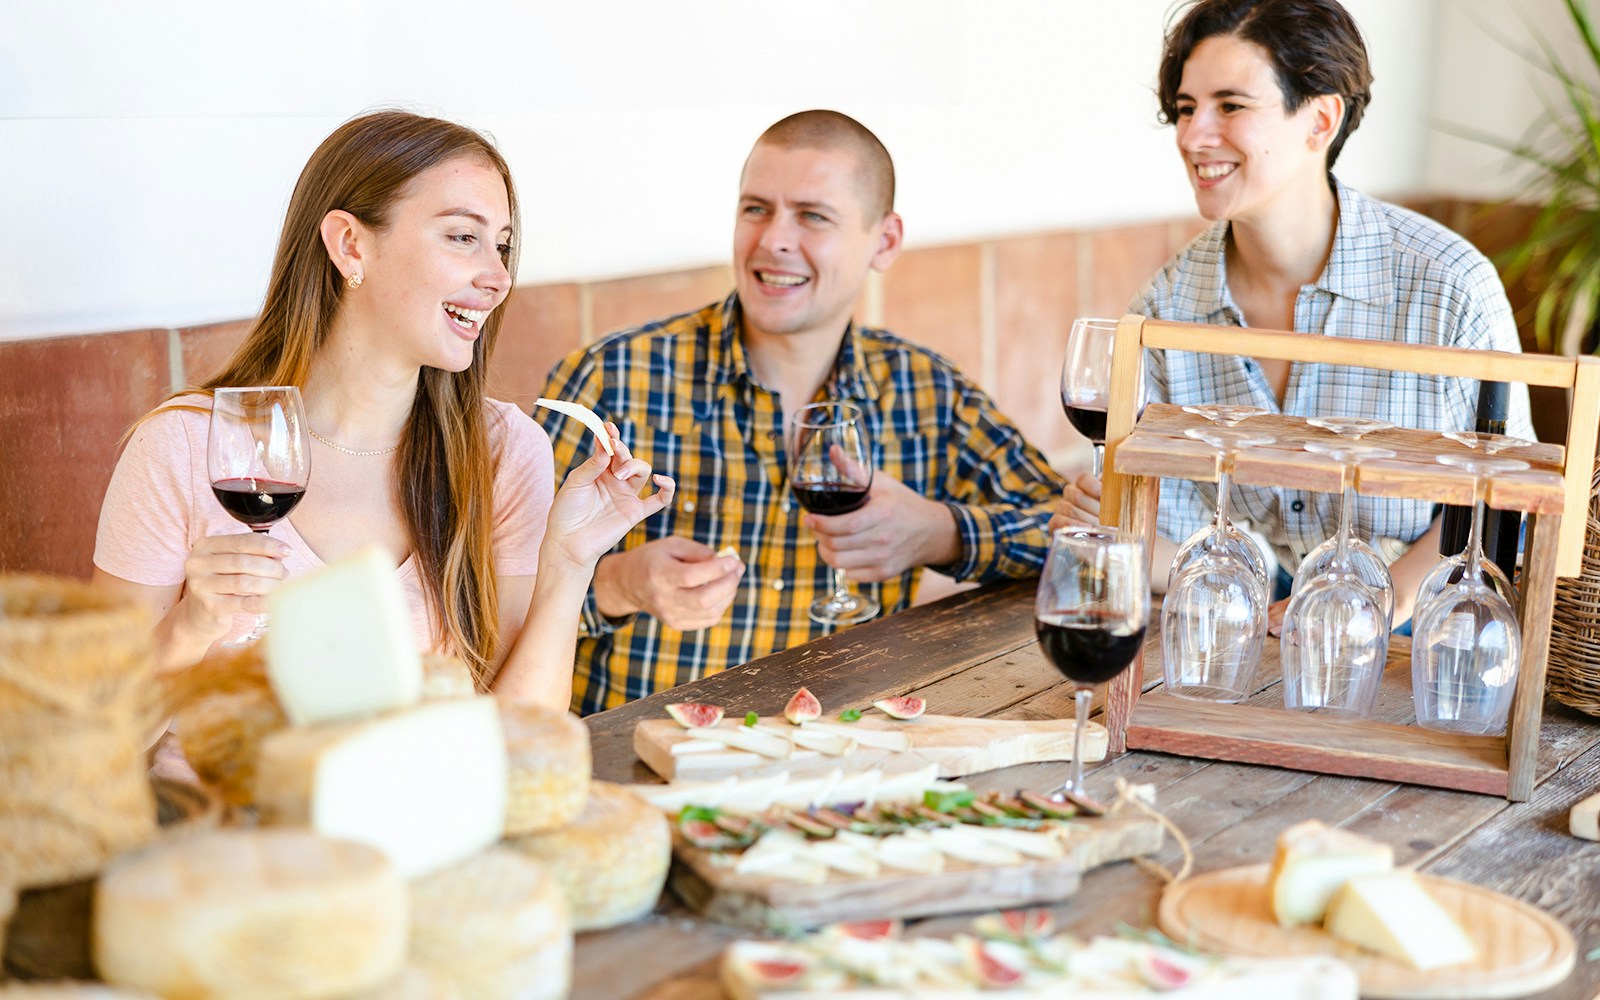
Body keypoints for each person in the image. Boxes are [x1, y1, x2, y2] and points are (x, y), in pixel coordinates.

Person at [93, 110, 673, 711]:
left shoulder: (504, 451)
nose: (499, 279)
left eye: (500, 246)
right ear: (350, 245)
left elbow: (518, 741)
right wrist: (188, 631)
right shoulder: (182, 447)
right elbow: (96, 746)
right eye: (461, 237)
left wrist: (570, 562)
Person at [537, 110, 1064, 715]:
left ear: (884, 241)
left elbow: (1074, 538)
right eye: (755, 208)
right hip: (637, 769)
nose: (772, 240)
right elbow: (482, 602)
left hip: (841, 762)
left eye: (812, 216)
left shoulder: (929, 394)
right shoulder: (612, 379)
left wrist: (938, 533)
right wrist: (618, 584)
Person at [1051, 0, 1535, 629]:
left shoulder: (1449, 286)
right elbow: (1173, 542)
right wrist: (1116, 535)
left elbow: (1503, 508)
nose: (1193, 136)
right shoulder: (1164, 309)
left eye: (1230, 105)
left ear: (1320, 120)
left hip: (1419, 631)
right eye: (1186, 108)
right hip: (1239, 625)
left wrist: (1367, 609)